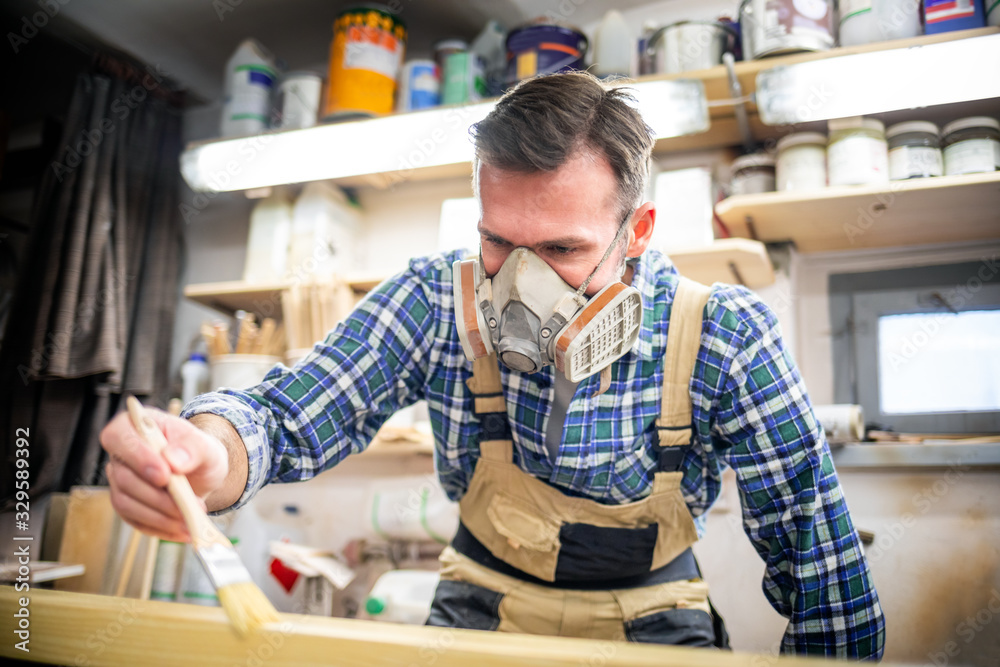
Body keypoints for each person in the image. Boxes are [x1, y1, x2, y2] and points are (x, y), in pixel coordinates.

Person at [101, 72, 884, 656]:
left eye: (562, 249)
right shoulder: (438, 300)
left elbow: (824, 574)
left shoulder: (724, 337)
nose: (519, 281)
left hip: (652, 611)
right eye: (499, 240)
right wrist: (211, 453)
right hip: (482, 598)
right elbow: (283, 414)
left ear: (637, 230)